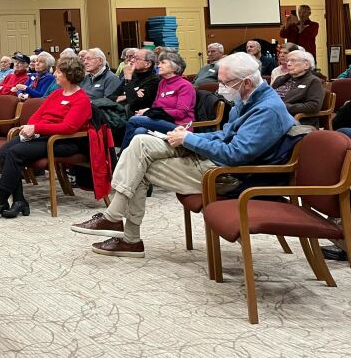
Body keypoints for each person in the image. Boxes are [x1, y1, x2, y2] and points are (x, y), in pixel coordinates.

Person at [71, 52, 298, 258]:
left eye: (225, 83)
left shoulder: (266, 110)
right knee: (140, 142)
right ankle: (117, 224)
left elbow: (235, 154)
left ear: (246, 82)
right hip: (214, 161)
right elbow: (226, 135)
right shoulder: (247, 98)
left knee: (138, 168)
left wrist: (190, 140)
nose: (220, 89)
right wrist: (186, 136)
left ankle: (126, 235)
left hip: (228, 176)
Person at [0, 56, 91, 219]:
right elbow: (37, 115)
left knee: (15, 153)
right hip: (43, 135)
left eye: (58, 72)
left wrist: (36, 128)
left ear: (69, 75)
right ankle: (19, 200)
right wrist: (31, 128)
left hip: (64, 141)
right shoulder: (56, 94)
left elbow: (68, 127)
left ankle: (1, 200)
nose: (55, 74)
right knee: (4, 151)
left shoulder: (81, 99)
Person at [120, 52, 196, 150]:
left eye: (163, 63)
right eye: (159, 63)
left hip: (179, 126)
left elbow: (181, 113)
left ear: (174, 67)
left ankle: (122, 156)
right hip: (163, 121)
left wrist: (148, 112)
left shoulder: (185, 85)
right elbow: (156, 105)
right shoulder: (162, 83)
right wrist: (147, 112)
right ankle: (132, 160)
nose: (158, 66)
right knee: (139, 131)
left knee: (134, 120)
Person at [270, 50, 324, 125]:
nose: (288, 64)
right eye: (287, 61)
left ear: (306, 65)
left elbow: (313, 106)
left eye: (293, 61)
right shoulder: (280, 79)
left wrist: (282, 107)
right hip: (271, 114)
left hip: (293, 120)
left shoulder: (313, 81)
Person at [119, 49, 159, 114]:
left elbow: (136, 105)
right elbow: (112, 96)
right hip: (118, 110)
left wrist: (128, 78)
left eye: (136, 58)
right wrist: (134, 93)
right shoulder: (133, 75)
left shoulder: (154, 80)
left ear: (148, 64)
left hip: (132, 115)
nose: (131, 60)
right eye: (133, 58)